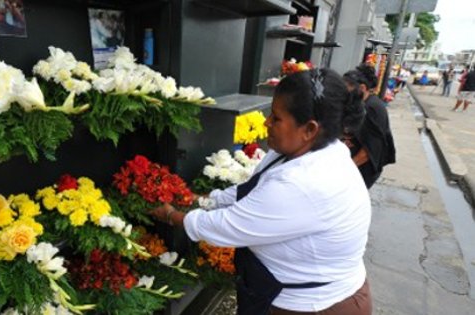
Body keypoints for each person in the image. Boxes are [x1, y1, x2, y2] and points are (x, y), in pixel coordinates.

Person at [151, 69, 372, 315]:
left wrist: (172, 215)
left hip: (318, 306)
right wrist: (203, 199)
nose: (266, 122)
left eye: (276, 118)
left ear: (309, 129)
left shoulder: (303, 183)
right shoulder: (303, 150)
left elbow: (227, 226)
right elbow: (251, 190)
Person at [342, 64, 396, 189]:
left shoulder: (372, 108)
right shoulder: (359, 103)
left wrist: (345, 170)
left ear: (362, 88)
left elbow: (368, 151)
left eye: (347, 88)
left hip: (362, 168)